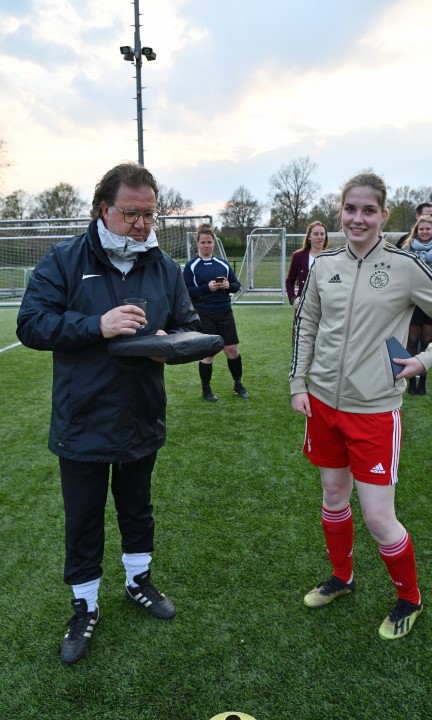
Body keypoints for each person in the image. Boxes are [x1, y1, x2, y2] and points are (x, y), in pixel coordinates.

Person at [16, 162, 201, 665]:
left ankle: (139, 581)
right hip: (82, 416)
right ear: (104, 209)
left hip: (142, 413)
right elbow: (31, 324)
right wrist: (96, 325)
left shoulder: (163, 267)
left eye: (149, 215)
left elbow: (187, 325)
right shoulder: (65, 259)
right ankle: (85, 605)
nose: (141, 225)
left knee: (137, 507)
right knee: (83, 517)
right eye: (131, 214)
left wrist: (168, 346)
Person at [289, 172, 432, 640]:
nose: (358, 218)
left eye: (368, 210)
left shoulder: (405, 266)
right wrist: (298, 383)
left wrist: (426, 358)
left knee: (378, 517)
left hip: (374, 411)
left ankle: (410, 598)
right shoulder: (324, 265)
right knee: (333, 497)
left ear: (384, 215)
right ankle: (342, 577)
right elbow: (306, 324)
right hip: (322, 405)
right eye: (350, 209)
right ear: (340, 212)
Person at [183, 224, 249, 402]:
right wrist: (207, 288)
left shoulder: (223, 264)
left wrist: (228, 286)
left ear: (214, 243)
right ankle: (206, 389)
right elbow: (186, 291)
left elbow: (236, 285)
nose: (206, 245)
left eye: (209, 242)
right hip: (204, 314)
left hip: (225, 312)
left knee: (232, 350)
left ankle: (238, 384)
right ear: (197, 243)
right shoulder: (191, 266)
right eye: (203, 242)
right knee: (208, 353)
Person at [402, 215, 432, 395]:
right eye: (421, 229)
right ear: (416, 231)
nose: (424, 232)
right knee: (412, 341)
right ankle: (410, 380)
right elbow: (403, 273)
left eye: (427, 229)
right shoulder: (408, 248)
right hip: (414, 302)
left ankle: (422, 380)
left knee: (426, 342)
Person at [286, 221, 329, 310]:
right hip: (304, 306)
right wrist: (293, 299)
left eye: (322, 234)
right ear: (309, 237)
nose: (319, 237)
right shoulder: (298, 256)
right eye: (316, 234)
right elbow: (289, 281)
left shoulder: (332, 257)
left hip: (326, 307)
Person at [396, 202, 432, 267]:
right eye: (426, 215)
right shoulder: (405, 241)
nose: (429, 218)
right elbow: (396, 262)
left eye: (431, 215)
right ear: (417, 216)